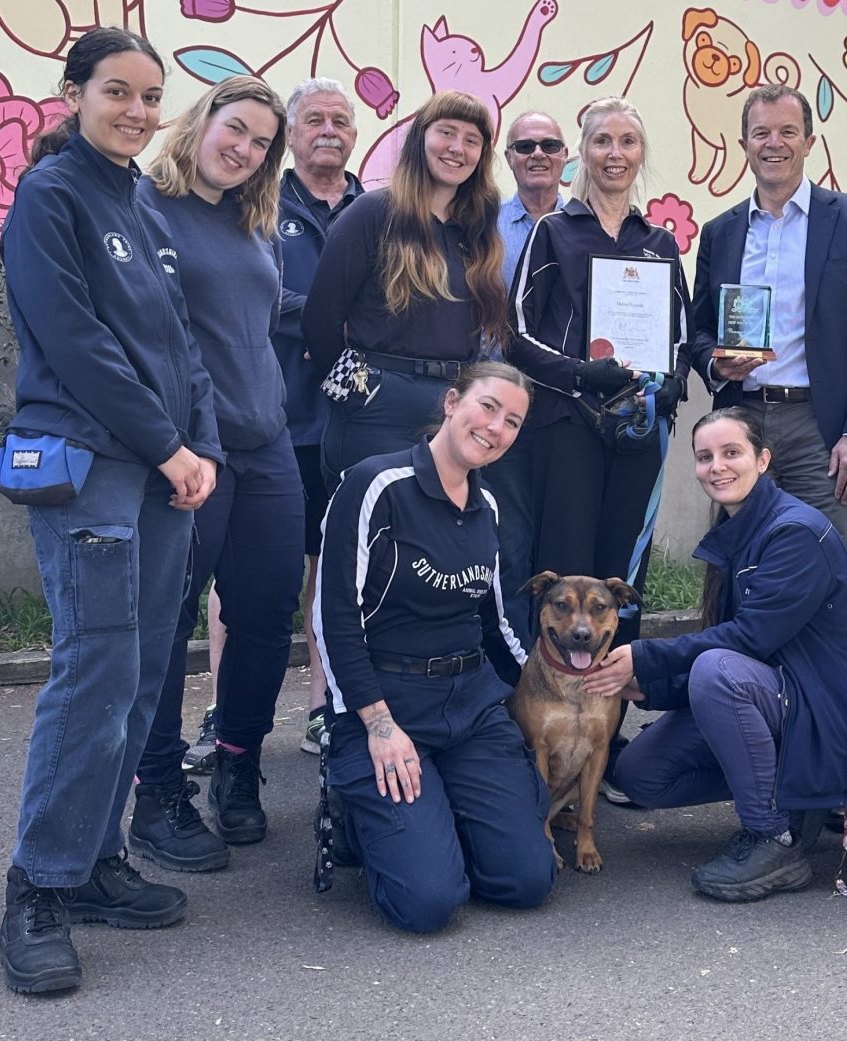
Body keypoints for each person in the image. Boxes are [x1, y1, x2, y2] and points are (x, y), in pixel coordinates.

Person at [0, 27, 221, 994]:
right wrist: (166, 444)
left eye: (148, 96)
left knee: (138, 675)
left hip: (168, 470)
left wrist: (201, 446)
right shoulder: (50, 197)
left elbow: (185, 344)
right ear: (76, 92)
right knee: (94, 673)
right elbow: (76, 342)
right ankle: (37, 887)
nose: (136, 110)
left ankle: (92, 864)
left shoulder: (142, 202)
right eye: (116, 92)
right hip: (91, 461)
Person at [583, 407, 847, 902]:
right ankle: (803, 798)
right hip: (784, 696)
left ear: (763, 459)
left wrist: (646, 658)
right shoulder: (738, 529)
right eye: (705, 457)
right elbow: (738, 646)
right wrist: (653, 687)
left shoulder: (794, 531)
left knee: (718, 672)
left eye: (731, 453)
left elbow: (749, 641)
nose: (717, 466)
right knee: (641, 775)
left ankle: (774, 836)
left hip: (837, 715)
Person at [129, 77, 305, 871]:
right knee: (167, 622)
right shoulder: (143, 208)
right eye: (235, 129)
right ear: (201, 122)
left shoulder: (253, 221)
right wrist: (174, 441)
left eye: (262, 142)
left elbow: (257, 330)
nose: (244, 148)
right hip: (193, 449)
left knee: (267, 616)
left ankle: (237, 764)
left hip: (267, 443)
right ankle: (158, 791)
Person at [313, 361, 557, 933]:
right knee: (426, 903)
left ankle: (435, 817)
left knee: (527, 880)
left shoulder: (487, 506)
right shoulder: (376, 484)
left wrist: (558, 686)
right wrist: (376, 724)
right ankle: (360, 818)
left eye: (513, 422)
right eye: (488, 407)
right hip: (386, 703)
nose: (496, 428)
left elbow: (496, 624)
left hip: (469, 706)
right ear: (452, 403)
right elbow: (334, 619)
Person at [189, 77, 366, 769]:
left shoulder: (373, 206)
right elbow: (254, 292)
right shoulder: (258, 201)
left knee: (333, 566)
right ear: (290, 136)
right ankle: (219, 706)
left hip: (347, 420)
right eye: (314, 119)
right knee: (238, 579)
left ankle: (324, 706)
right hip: (265, 416)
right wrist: (336, 319)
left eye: (342, 120)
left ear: (356, 135)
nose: (329, 129)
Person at [509, 95, 692, 651]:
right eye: (602, 141)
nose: (615, 154)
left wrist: (673, 382)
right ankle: (548, 709)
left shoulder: (659, 243)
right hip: (567, 424)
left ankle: (610, 711)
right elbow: (516, 333)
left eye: (627, 142)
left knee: (623, 572)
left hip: (640, 427)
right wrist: (581, 374)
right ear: (581, 154)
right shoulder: (552, 231)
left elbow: (680, 334)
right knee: (563, 568)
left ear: (641, 154)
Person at [690, 84, 847, 568]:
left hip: (820, 428)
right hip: (742, 419)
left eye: (787, 131)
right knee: (745, 567)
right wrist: (718, 367)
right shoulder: (721, 231)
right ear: (744, 146)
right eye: (761, 133)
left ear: (809, 142)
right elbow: (697, 331)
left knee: (831, 564)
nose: (774, 143)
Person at [303, 89, 509, 481]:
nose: (457, 149)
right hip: (376, 412)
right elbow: (319, 321)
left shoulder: (477, 231)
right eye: (446, 133)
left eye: (472, 140)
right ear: (421, 139)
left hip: (452, 409)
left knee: (440, 537)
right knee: (373, 536)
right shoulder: (373, 213)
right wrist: (360, 397)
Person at [483, 109, 568, 648]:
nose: (538, 154)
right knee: (510, 543)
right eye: (524, 146)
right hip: (500, 405)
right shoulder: (483, 227)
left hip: (567, 409)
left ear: (566, 157)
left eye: (550, 145)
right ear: (508, 158)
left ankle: (569, 680)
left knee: (561, 541)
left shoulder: (588, 226)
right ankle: (514, 678)